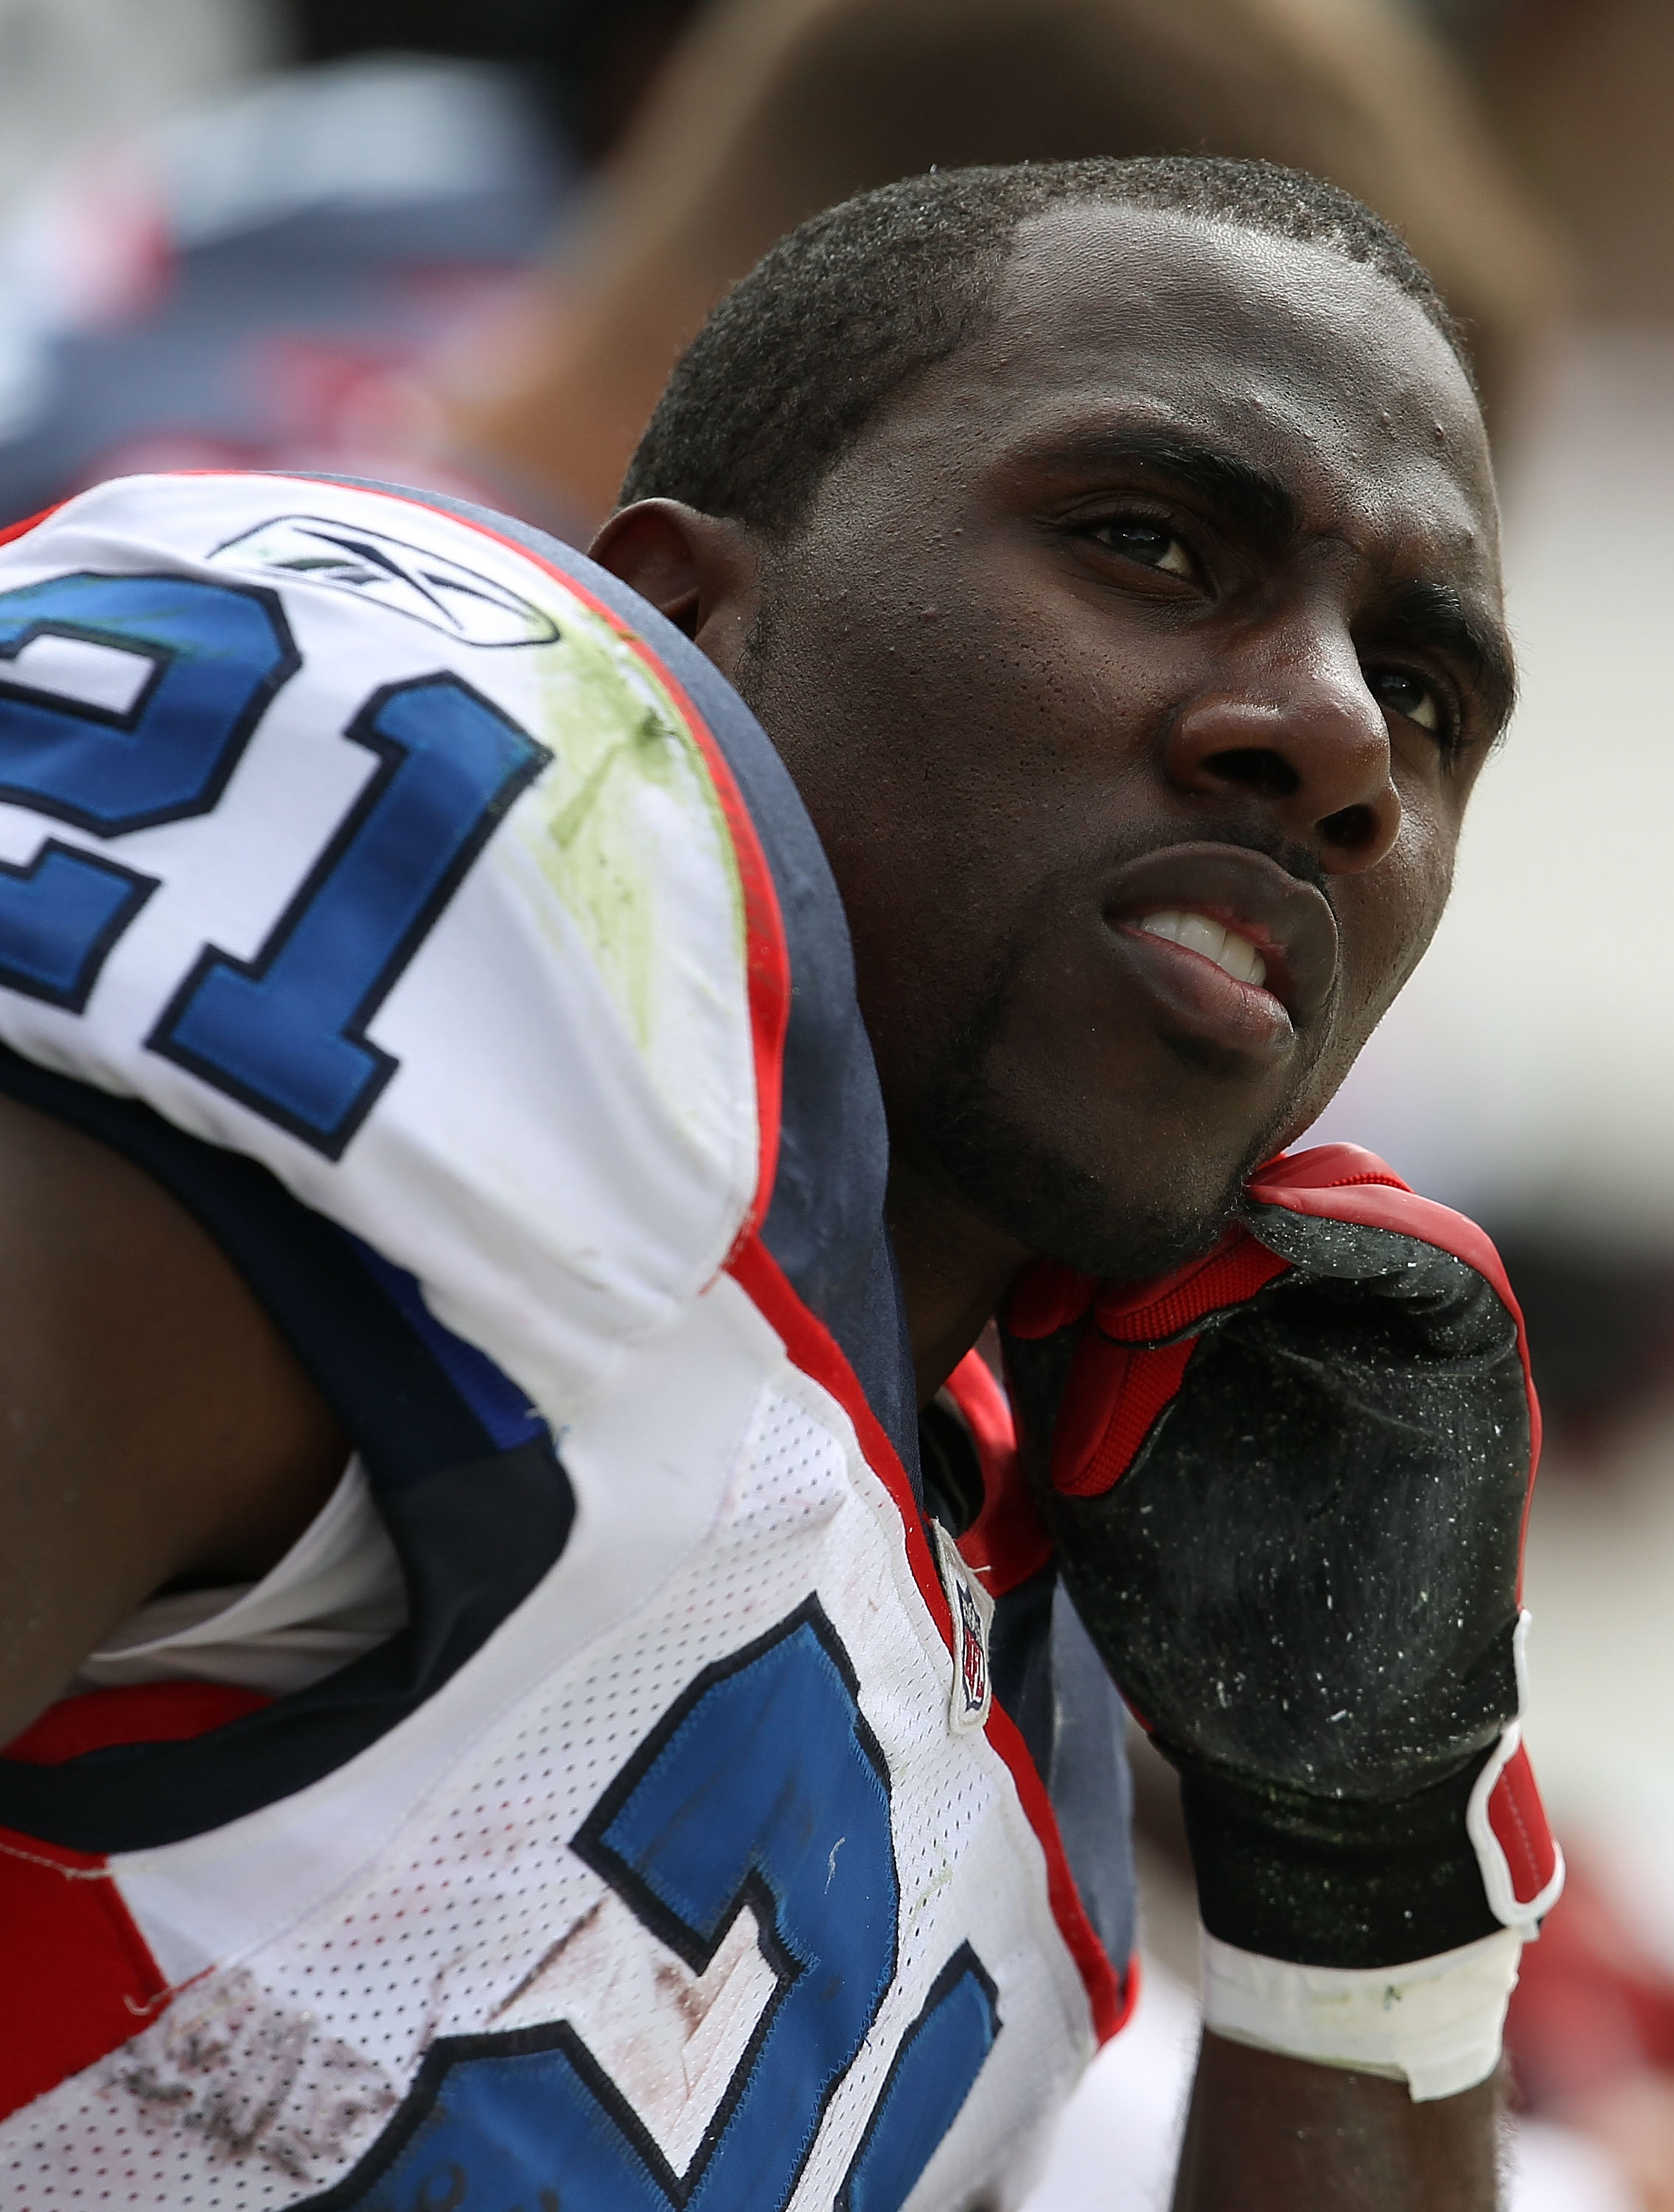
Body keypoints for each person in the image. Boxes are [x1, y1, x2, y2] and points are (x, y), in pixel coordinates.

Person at [0, 156, 1557, 2209]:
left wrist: (1365, 1914)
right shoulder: (439, 906)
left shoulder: (1028, 1723)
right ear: (693, 606)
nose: (1336, 736)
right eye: (1153, 544)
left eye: (1428, 701)